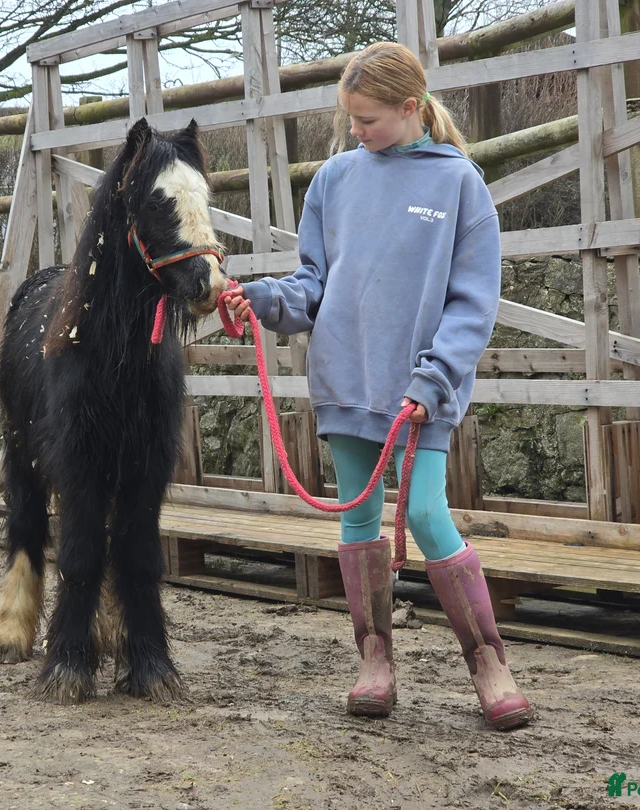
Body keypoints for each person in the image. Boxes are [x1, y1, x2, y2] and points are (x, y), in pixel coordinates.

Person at [224, 42, 532, 731]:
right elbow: (312, 286)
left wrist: (436, 376)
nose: (355, 132)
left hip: (420, 395)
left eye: (367, 120)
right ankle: (374, 658)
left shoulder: (461, 186)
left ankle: (489, 660)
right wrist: (265, 299)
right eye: (350, 120)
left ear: (410, 108)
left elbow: (472, 303)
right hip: (345, 378)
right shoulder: (334, 180)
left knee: (425, 514)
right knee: (356, 519)